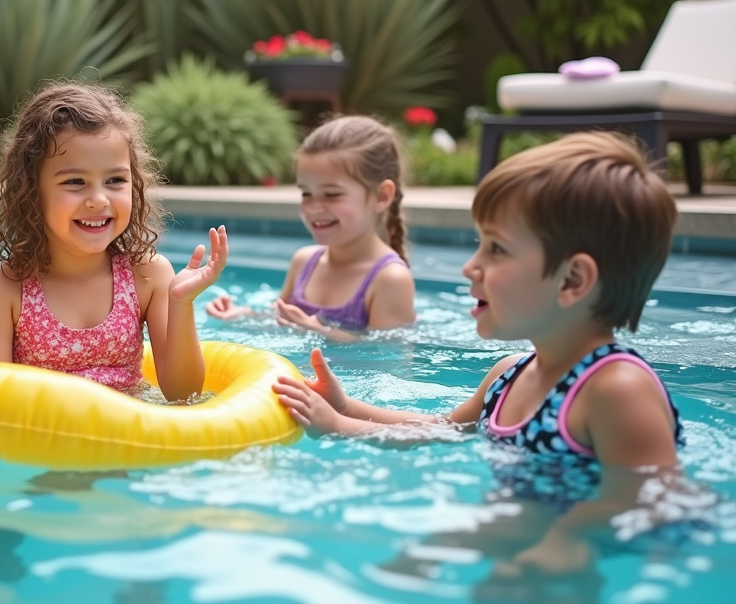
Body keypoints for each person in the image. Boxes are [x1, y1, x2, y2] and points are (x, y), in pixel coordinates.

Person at [274, 132, 685, 573]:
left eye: (497, 249)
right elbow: (440, 429)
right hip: (522, 537)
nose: (470, 267)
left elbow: (652, 500)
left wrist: (562, 540)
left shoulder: (616, 388)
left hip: (588, 563)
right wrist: (342, 411)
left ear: (572, 280)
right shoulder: (509, 374)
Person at [0, 83, 226, 402]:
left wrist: (182, 305)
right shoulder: (2, 290)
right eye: (75, 182)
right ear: (31, 191)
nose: (98, 199)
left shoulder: (147, 276)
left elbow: (184, 394)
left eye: (115, 180)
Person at [206, 115, 415, 341]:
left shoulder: (389, 278)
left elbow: (388, 356)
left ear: (381, 196)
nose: (314, 207)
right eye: (306, 193)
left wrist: (321, 333)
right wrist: (244, 315)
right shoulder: (304, 262)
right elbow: (282, 318)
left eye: (332, 194)